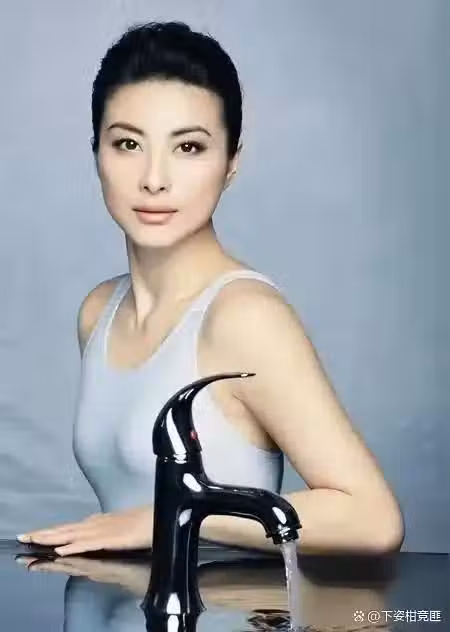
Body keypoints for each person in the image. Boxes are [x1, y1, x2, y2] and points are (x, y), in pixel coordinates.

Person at [17, 21, 404, 557]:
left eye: (189, 147)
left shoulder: (243, 317)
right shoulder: (99, 311)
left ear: (231, 164)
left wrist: (173, 515)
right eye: (128, 143)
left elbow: (372, 519)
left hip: (220, 602)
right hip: (117, 600)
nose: (154, 178)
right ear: (96, 154)